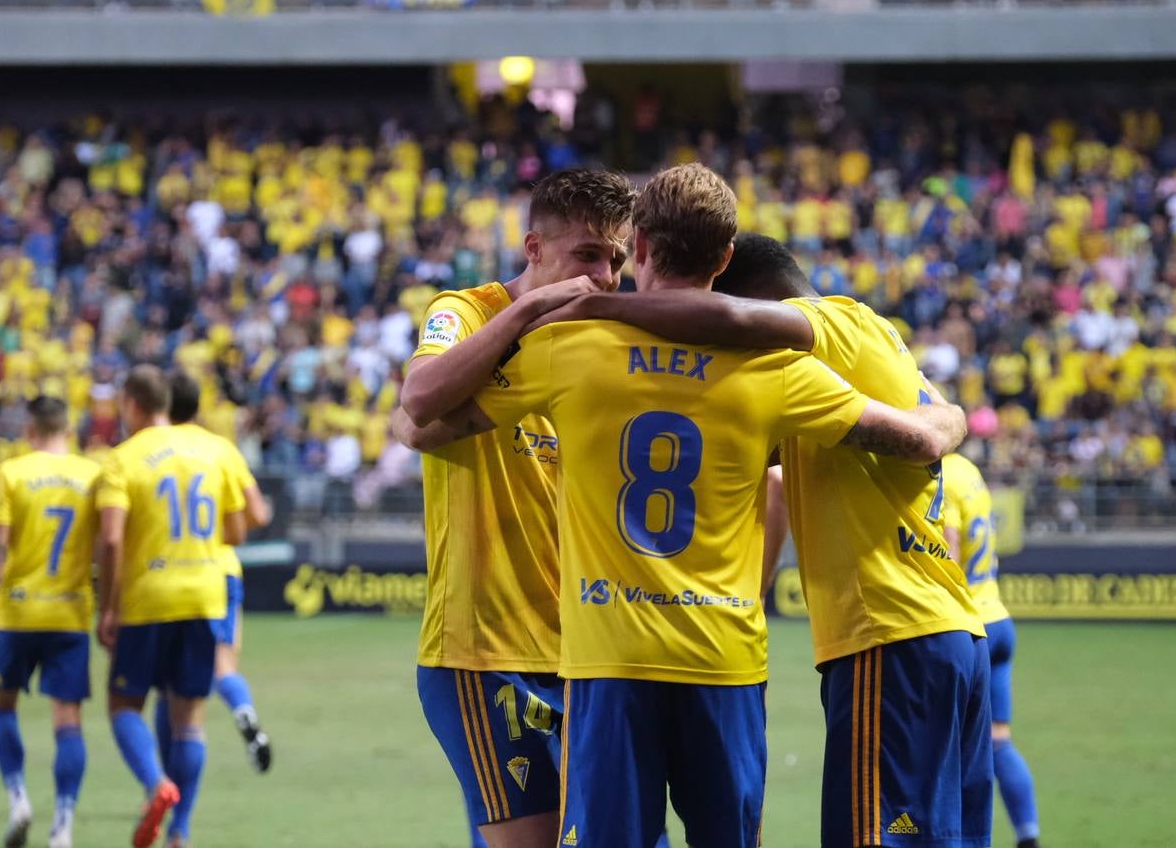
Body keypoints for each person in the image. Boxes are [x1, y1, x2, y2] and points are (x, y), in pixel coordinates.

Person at [402, 164, 966, 847]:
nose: (605, 276)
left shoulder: (571, 348)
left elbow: (423, 418)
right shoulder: (777, 367)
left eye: (614, 258)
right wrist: (949, 420)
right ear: (723, 259)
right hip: (722, 659)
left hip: (608, 659)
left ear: (638, 247)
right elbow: (902, 442)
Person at [540, 233, 991, 848]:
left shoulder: (824, 325)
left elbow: (723, 316)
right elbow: (944, 421)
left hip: (889, 629)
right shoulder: (873, 343)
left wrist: (598, 305)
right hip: (952, 631)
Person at [392, 169, 637, 848]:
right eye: (587, 255)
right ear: (534, 249)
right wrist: (529, 311)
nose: (604, 276)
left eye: (615, 259)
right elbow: (417, 402)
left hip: (580, 653)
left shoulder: (598, 343)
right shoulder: (466, 309)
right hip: (484, 650)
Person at [96, 365, 247, 848]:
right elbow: (238, 528)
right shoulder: (213, 449)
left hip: (148, 598)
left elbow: (113, 540)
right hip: (205, 595)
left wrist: (108, 606)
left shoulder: (121, 459)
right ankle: (179, 833)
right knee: (189, 720)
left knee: (123, 705)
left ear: (133, 405)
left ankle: (157, 785)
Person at [0, 397, 99, 848]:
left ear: (30, 430)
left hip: (19, 611)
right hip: (70, 612)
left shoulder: (11, 473)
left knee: (3, 706)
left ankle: (18, 800)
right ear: (68, 428)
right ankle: (63, 826)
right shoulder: (91, 475)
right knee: (67, 721)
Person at [151, 371, 273, 775]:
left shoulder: (146, 450)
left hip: (168, 573)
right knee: (223, 669)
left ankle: (162, 789)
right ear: (198, 408)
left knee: (169, 689)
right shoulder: (220, 450)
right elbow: (258, 513)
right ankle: (244, 712)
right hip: (220, 571)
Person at [943, 452, 1041, 848]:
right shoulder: (968, 470)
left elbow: (948, 558)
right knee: (998, 741)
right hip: (999, 617)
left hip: (968, 625)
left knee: (950, 751)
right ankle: (1029, 835)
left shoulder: (942, 476)